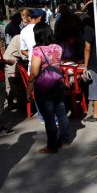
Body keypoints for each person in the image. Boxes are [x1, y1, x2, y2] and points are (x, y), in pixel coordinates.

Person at [26, 22, 70, 153]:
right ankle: (65, 139)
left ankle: (52, 146)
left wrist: (29, 91)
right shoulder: (58, 47)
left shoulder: (37, 51)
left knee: (49, 117)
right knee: (62, 113)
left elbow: (34, 72)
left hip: (44, 87)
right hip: (57, 83)